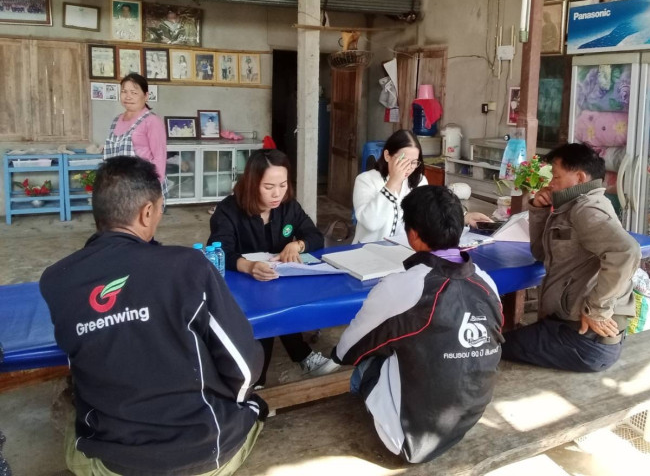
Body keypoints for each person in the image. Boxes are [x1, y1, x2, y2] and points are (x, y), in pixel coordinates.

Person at [39, 156, 266, 476]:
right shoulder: (188, 267)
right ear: (147, 212)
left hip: (110, 464)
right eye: (161, 208)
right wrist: (244, 405)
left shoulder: (56, 280)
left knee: (69, 405)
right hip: (202, 458)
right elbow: (242, 367)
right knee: (251, 403)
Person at [333, 186, 504, 463]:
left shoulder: (403, 286)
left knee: (367, 361)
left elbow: (346, 351)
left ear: (412, 235)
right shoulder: (487, 282)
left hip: (408, 437)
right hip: (468, 416)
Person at [501, 143, 641, 372]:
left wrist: (597, 310)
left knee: (492, 347)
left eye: (556, 176)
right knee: (506, 342)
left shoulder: (586, 209)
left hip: (585, 341)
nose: (551, 183)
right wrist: (538, 210)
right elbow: (541, 253)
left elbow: (626, 252)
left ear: (579, 178)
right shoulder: (569, 207)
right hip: (574, 332)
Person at [209, 149, 337, 382]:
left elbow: (314, 236)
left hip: (277, 281)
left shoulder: (288, 206)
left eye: (283, 185)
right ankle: (267, 375)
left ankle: (277, 369)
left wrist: (297, 245)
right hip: (242, 285)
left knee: (281, 302)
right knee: (266, 312)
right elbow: (219, 250)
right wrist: (248, 266)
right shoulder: (229, 210)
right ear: (252, 183)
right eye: (268, 187)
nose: (277, 193)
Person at [352, 130, 491, 243]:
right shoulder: (366, 180)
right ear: (387, 155)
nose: (409, 167)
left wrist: (463, 217)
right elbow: (371, 223)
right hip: (366, 253)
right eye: (403, 161)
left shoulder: (418, 181)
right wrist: (393, 182)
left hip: (400, 253)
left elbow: (431, 213)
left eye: (414, 162)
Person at [104, 73, 168, 201]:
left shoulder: (152, 121)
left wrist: (153, 192)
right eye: (124, 91)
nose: (128, 96)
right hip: (117, 187)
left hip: (143, 187)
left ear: (146, 96)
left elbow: (160, 158)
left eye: (134, 92)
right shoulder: (116, 120)